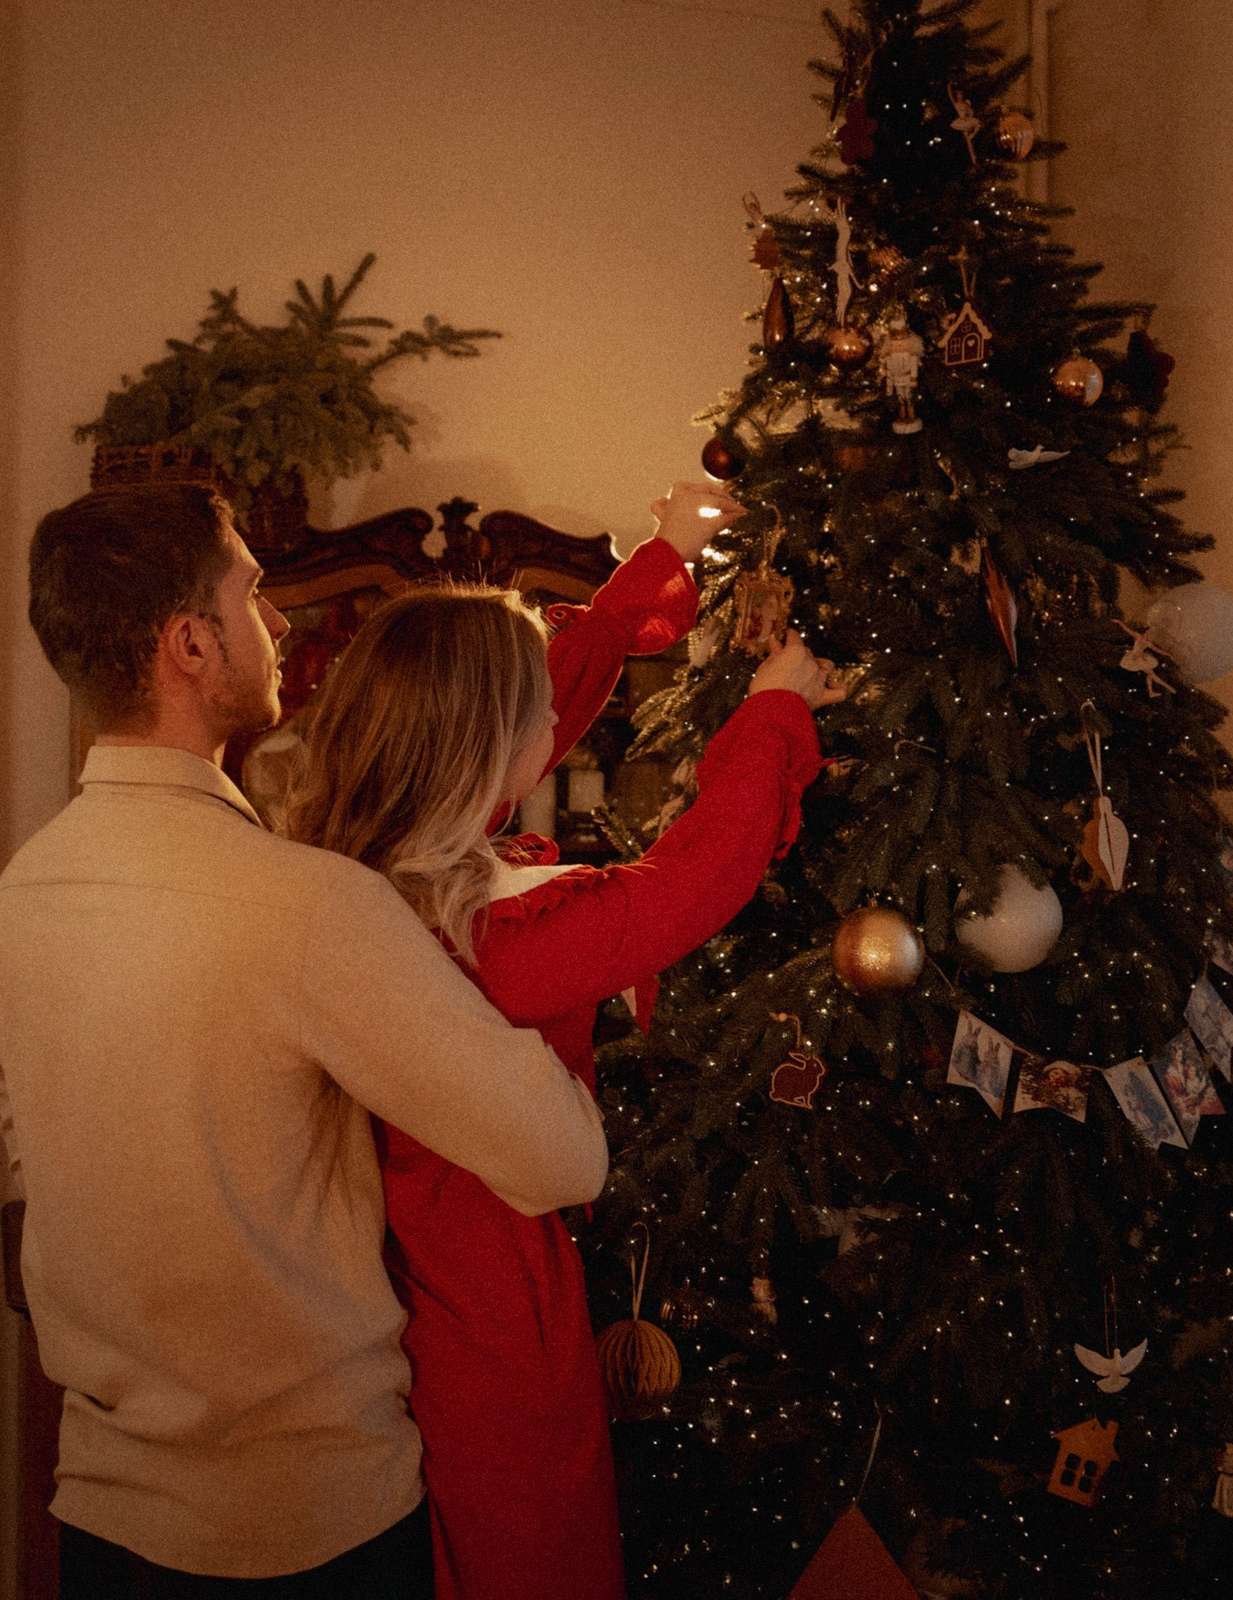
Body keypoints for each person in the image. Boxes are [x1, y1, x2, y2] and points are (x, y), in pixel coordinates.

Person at [0, 483, 609, 1598]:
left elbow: (41, 1154)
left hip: (107, 1525)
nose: (281, 626)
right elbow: (562, 1157)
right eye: (254, 598)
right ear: (190, 644)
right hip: (315, 1528)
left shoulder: (19, 898)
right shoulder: (307, 908)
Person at [283, 483, 844, 1599]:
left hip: (416, 1276)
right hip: (486, 1297)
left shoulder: (375, 862)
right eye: (533, 713)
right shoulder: (497, 939)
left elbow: (540, 697)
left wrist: (667, 553)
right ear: (486, 746)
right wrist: (774, 708)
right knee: (527, 1539)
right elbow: (681, 886)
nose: (559, 723)